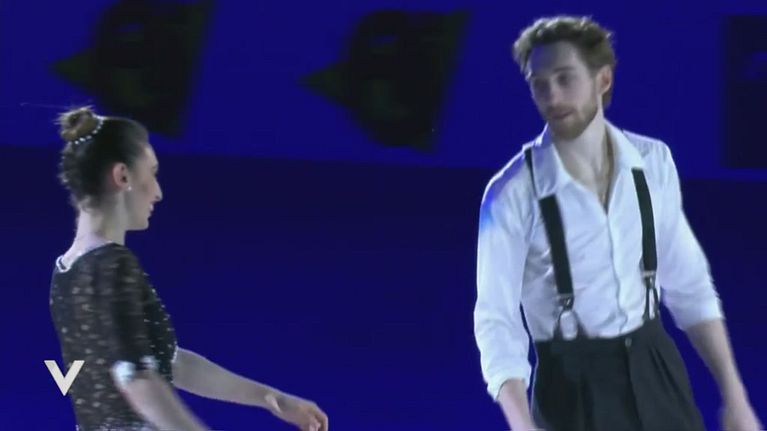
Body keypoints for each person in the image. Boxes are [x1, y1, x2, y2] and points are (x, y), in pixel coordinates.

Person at [473, 15, 762, 431]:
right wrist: (523, 426)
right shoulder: (510, 194)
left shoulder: (653, 162)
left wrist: (735, 398)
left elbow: (690, 285)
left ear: (603, 80)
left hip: (655, 367)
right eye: (539, 83)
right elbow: (496, 322)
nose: (552, 96)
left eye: (565, 78)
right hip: (571, 387)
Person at [49, 107, 330, 431]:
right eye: (152, 173)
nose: (158, 192)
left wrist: (271, 398)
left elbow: (169, 363)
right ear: (123, 176)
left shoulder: (66, 272)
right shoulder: (112, 265)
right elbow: (136, 377)